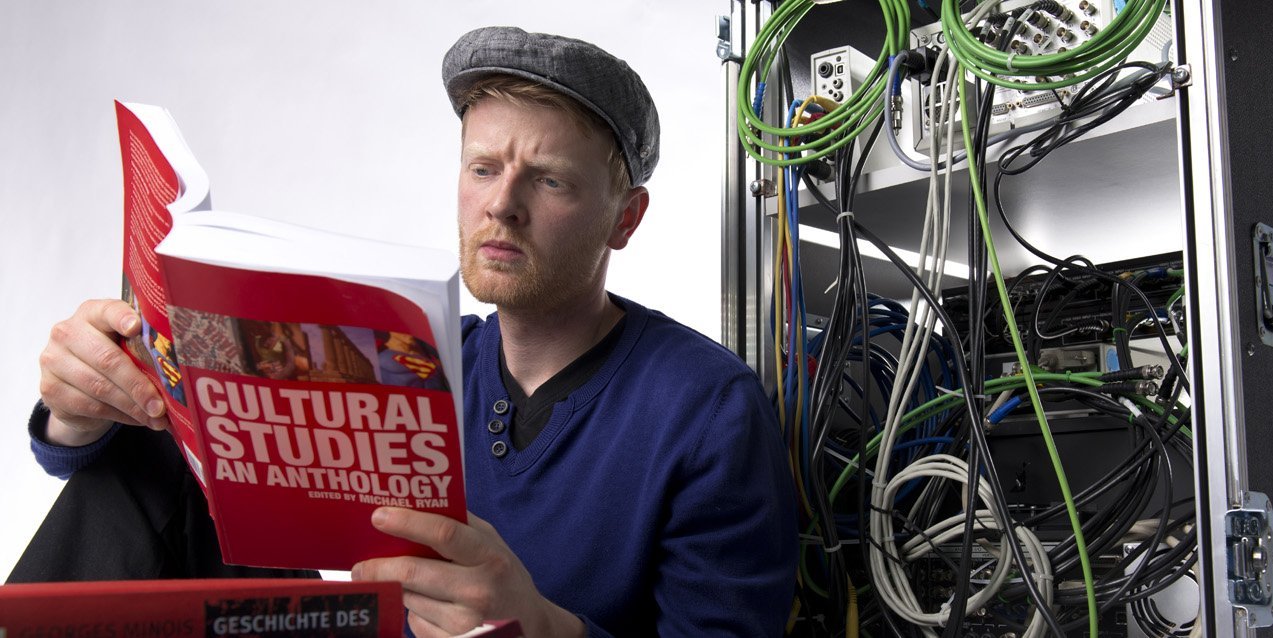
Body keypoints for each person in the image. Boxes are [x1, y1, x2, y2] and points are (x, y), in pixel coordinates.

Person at [17, 26, 797, 637]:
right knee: (144, 464)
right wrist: (79, 415)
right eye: (484, 168)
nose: (502, 204)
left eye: (549, 178)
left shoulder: (707, 407)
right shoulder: (422, 356)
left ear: (623, 219)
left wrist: (545, 629)